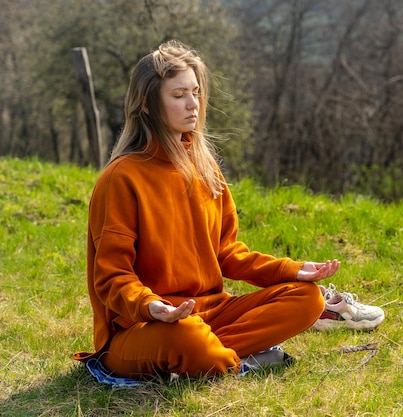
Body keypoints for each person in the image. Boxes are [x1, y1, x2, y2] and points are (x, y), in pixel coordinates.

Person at [73, 40, 383, 382]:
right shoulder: (121, 178)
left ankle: (208, 358)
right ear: (146, 106)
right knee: (187, 336)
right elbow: (112, 277)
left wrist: (293, 271)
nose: (193, 104)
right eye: (178, 96)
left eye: (195, 92)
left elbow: (228, 253)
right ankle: (231, 359)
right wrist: (151, 306)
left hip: (213, 312)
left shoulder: (205, 168)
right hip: (143, 327)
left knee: (308, 299)